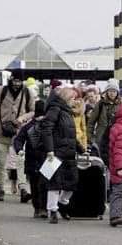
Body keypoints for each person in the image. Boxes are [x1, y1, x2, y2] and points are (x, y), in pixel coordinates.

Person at [0, 69, 35, 201]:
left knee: (20, 162)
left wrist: (22, 118)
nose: (17, 83)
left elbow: (32, 111)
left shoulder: (27, 92)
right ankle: (1, 189)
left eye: (19, 81)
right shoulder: (1, 91)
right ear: (11, 79)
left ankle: (23, 188)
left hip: (19, 133)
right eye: (15, 80)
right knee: (1, 162)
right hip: (1, 131)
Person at [41, 87, 79, 224]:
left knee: (72, 183)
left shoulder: (68, 112)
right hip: (56, 153)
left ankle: (61, 203)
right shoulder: (55, 110)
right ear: (66, 98)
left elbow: (71, 135)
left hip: (69, 152)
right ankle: (52, 210)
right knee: (54, 184)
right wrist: (49, 150)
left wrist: (81, 148)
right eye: (73, 98)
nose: (75, 101)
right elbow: (47, 129)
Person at [14, 100, 48, 218]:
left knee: (40, 184)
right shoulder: (34, 126)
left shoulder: (29, 126)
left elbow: (18, 140)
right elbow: (18, 140)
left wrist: (19, 149)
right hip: (38, 159)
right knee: (37, 184)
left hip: (40, 159)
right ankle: (39, 208)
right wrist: (19, 150)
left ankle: (41, 208)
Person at [87, 78, 121, 165]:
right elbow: (91, 122)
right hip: (101, 138)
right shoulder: (101, 104)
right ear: (107, 91)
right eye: (110, 91)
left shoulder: (121, 105)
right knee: (101, 161)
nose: (112, 93)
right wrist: (91, 138)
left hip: (115, 138)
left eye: (114, 91)